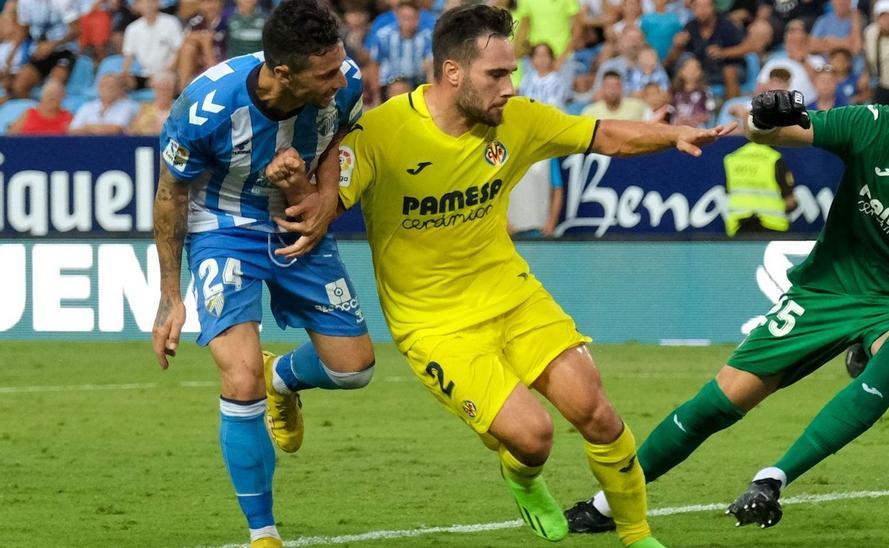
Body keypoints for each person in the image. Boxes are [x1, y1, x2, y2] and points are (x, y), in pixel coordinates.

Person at [264, 5, 733, 547]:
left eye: (511, 73)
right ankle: (522, 476)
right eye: (497, 75)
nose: (510, 87)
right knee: (533, 438)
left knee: (597, 413)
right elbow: (320, 207)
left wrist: (670, 133)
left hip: (513, 297)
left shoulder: (518, 120)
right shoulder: (382, 132)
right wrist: (296, 183)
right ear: (452, 72)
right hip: (435, 324)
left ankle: (636, 534)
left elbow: (603, 135)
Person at [564, 58, 889, 533]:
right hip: (829, 287)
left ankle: (771, 479)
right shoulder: (868, 126)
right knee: (719, 403)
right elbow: (775, 133)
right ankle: (607, 506)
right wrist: (762, 116)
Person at [149, 1, 377, 546]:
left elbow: (336, 139)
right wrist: (170, 296)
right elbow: (170, 193)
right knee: (239, 376)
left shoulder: (343, 82)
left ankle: (284, 378)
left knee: (354, 369)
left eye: (338, 65)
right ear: (281, 73)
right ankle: (264, 533)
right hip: (221, 227)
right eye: (322, 74)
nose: (338, 79)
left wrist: (323, 197)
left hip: (294, 220)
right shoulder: (203, 107)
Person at [722, 139, 796, 237]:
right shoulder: (774, 158)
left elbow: (729, 192)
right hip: (772, 226)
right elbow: (790, 201)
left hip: (739, 227)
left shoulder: (732, 158)